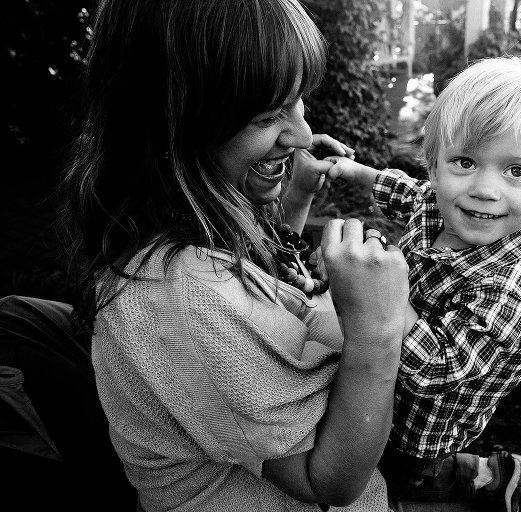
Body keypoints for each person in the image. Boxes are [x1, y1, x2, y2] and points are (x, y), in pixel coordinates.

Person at [61, 0, 411, 510]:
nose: (302, 135)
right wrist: (378, 331)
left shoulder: (188, 226)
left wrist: (297, 198)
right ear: (171, 127)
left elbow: (261, 285)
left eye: (298, 102)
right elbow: (328, 481)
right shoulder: (186, 302)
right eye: (268, 115)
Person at [319, 57, 521, 511]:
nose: (485, 189)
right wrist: (356, 173)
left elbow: (437, 372)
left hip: (418, 426)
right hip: (382, 384)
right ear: (434, 167)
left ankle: (468, 482)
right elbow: (406, 193)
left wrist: (385, 298)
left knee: (387, 482)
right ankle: (483, 475)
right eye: (465, 162)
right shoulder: (440, 205)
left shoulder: (509, 289)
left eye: (516, 171)